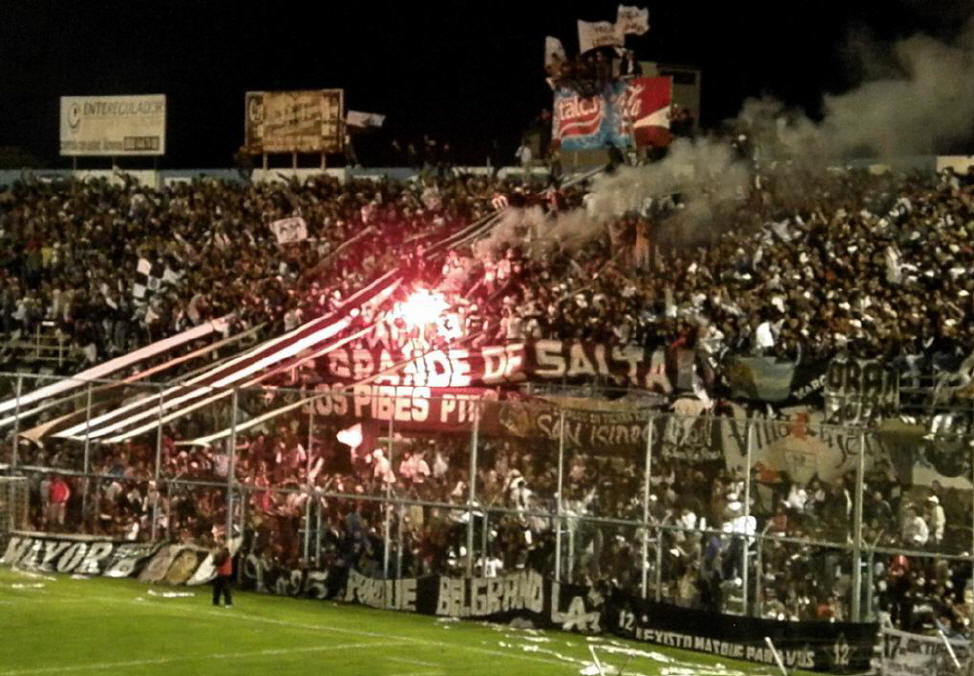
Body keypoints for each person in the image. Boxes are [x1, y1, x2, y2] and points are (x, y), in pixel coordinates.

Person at [212, 542, 233, 607]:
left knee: (225, 589)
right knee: (217, 588)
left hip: (223, 572)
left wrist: (214, 556)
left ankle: (228, 603)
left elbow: (218, 561)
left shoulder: (223, 552)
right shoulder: (225, 552)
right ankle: (216, 602)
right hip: (223, 572)